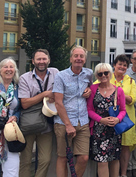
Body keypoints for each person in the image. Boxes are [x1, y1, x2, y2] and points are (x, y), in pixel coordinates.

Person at [18, 49, 59, 177]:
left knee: (45, 160)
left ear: (49, 60)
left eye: (44, 59)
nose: (41, 62)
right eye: (39, 59)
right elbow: (24, 103)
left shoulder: (56, 73)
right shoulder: (24, 78)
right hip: (28, 124)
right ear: (33, 61)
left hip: (46, 124)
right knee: (25, 160)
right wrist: (45, 94)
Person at [53, 46, 92, 177]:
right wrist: (68, 125)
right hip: (64, 123)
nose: (78, 59)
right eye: (76, 56)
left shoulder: (88, 73)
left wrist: (89, 90)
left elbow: (92, 88)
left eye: (81, 56)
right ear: (71, 58)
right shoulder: (61, 76)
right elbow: (58, 102)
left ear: (85, 59)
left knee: (84, 158)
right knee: (63, 157)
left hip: (83, 121)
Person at [88, 63, 127, 177]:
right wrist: (101, 120)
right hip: (98, 130)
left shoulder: (118, 91)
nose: (103, 75)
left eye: (106, 73)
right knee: (102, 161)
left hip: (114, 130)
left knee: (115, 159)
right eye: (100, 74)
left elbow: (123, 110)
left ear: (111, 74)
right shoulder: (93, 89)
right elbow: (89, 110)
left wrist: (117, 119)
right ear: (96, 75)